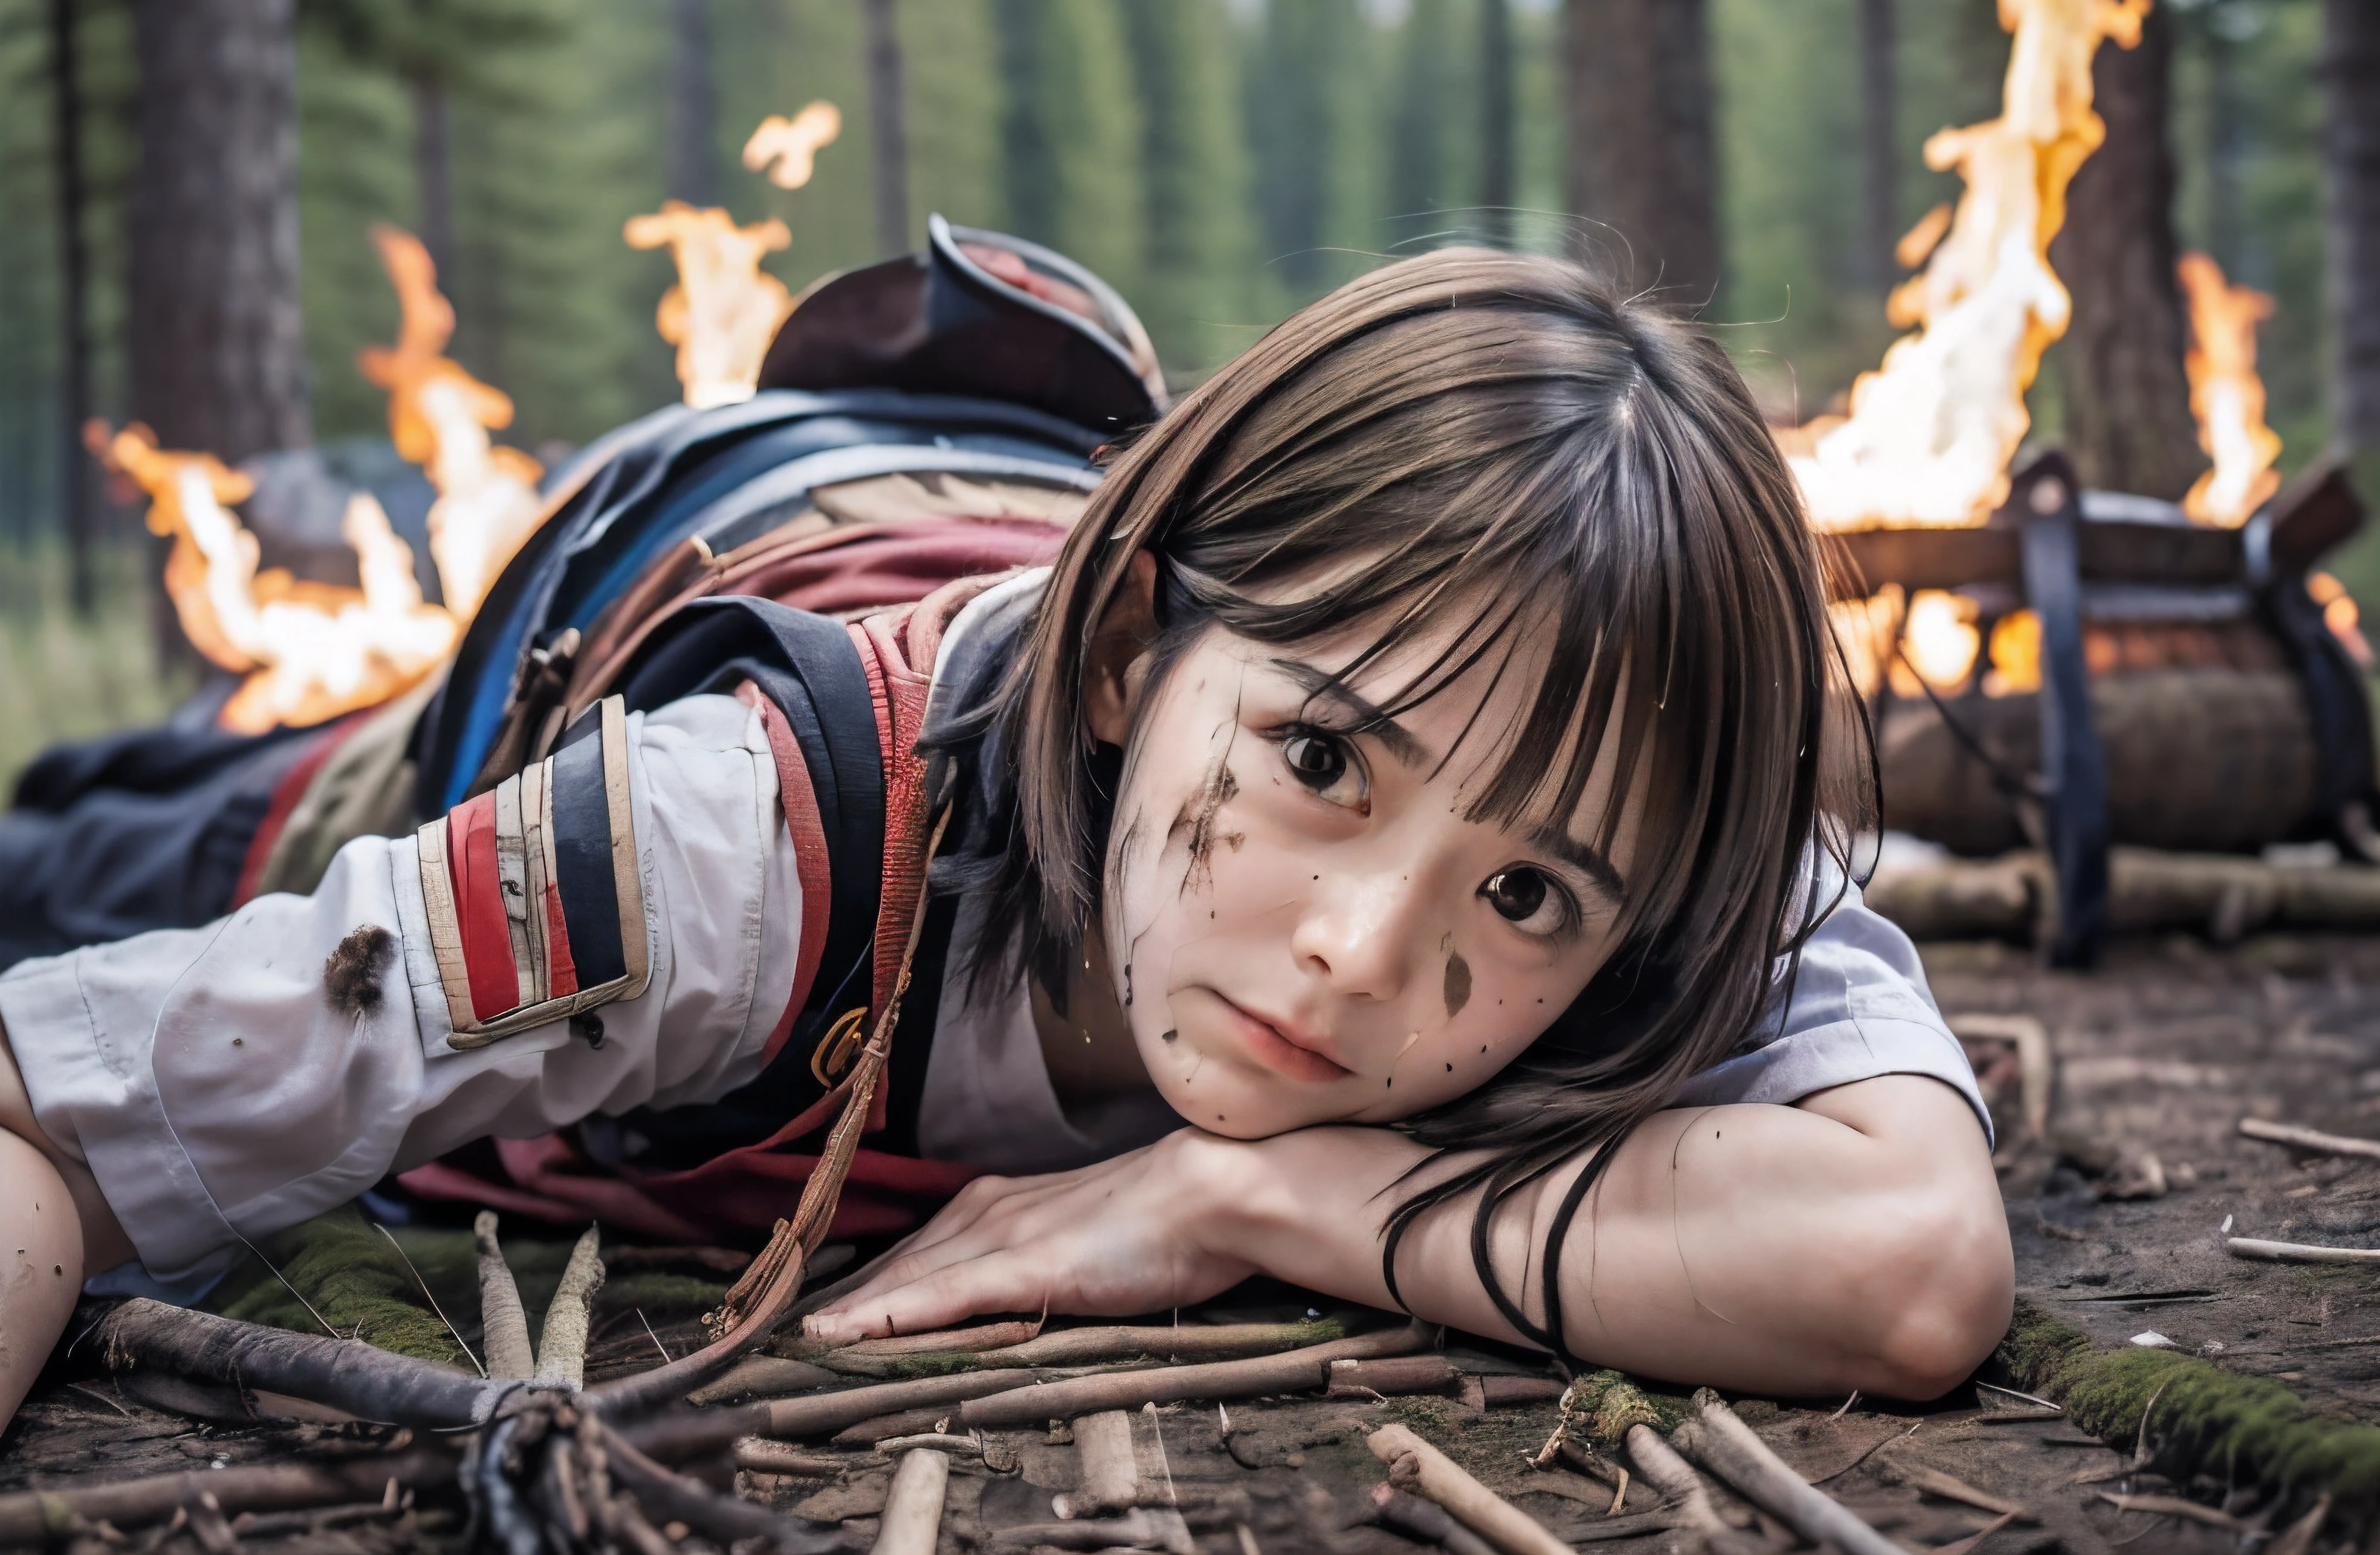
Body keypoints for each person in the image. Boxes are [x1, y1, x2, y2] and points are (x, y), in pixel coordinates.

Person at [0, 248, 2012, 1433]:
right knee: (88, 842)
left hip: (1032, 499)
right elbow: (43, 1124)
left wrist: (1262, 1202)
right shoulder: (722, 848)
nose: (1358, 958)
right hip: (625, 614)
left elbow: (1915, 1265)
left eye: (1521, 895)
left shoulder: (1641, 775)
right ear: (1137, 645)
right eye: (1323, 764)